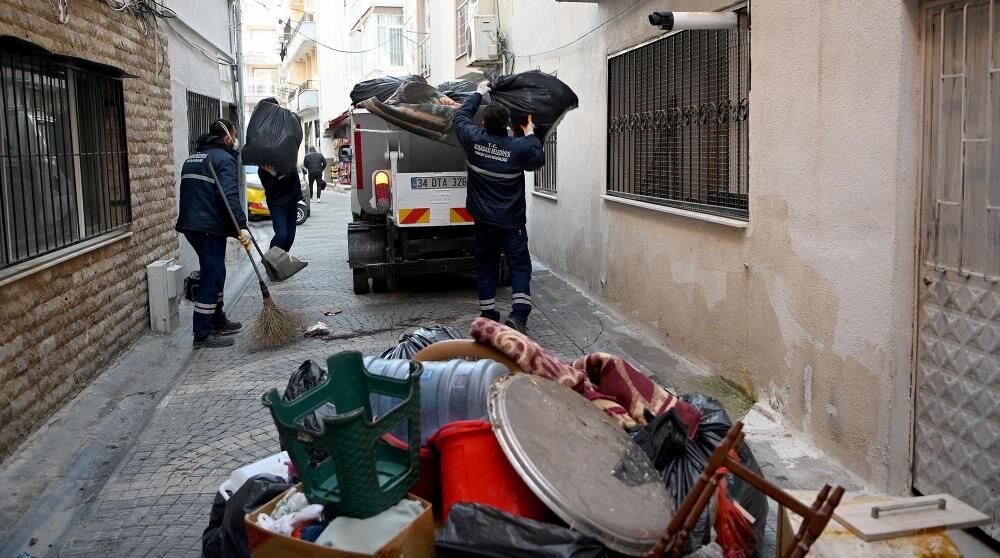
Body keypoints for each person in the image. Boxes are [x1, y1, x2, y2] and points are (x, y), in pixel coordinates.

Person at [453, 81, 545, 335]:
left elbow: (460, 115)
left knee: (486, 266)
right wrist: (528, 132)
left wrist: (480, 92)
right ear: (507, 125)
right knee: (519, 266)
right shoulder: (519, 148)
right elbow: (537, 159)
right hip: (512, 223)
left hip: (484, 222)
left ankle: (488, 314)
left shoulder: (472, 139)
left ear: (483, 124)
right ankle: (519, 317)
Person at [175, 119, 251, 349]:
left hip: (192, 225)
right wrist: (241, 226)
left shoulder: (194, 158)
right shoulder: (224, 159)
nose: (235, 140)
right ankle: (202, 332)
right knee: (212, 274)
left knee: (216, 271)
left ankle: (217, 319)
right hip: (207, 227)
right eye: (235, 136)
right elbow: (228, 196)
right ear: (228, 137)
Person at [258, 163, 302, 252]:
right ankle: (270, 261)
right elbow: (270, 190)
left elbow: (293, 184)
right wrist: (272, 173)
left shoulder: (289, 163)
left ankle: (281, 261)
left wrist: (278, 174)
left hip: (291, 203)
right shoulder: (263, 170)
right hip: (276, 205)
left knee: (290, 237)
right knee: (282, 235)